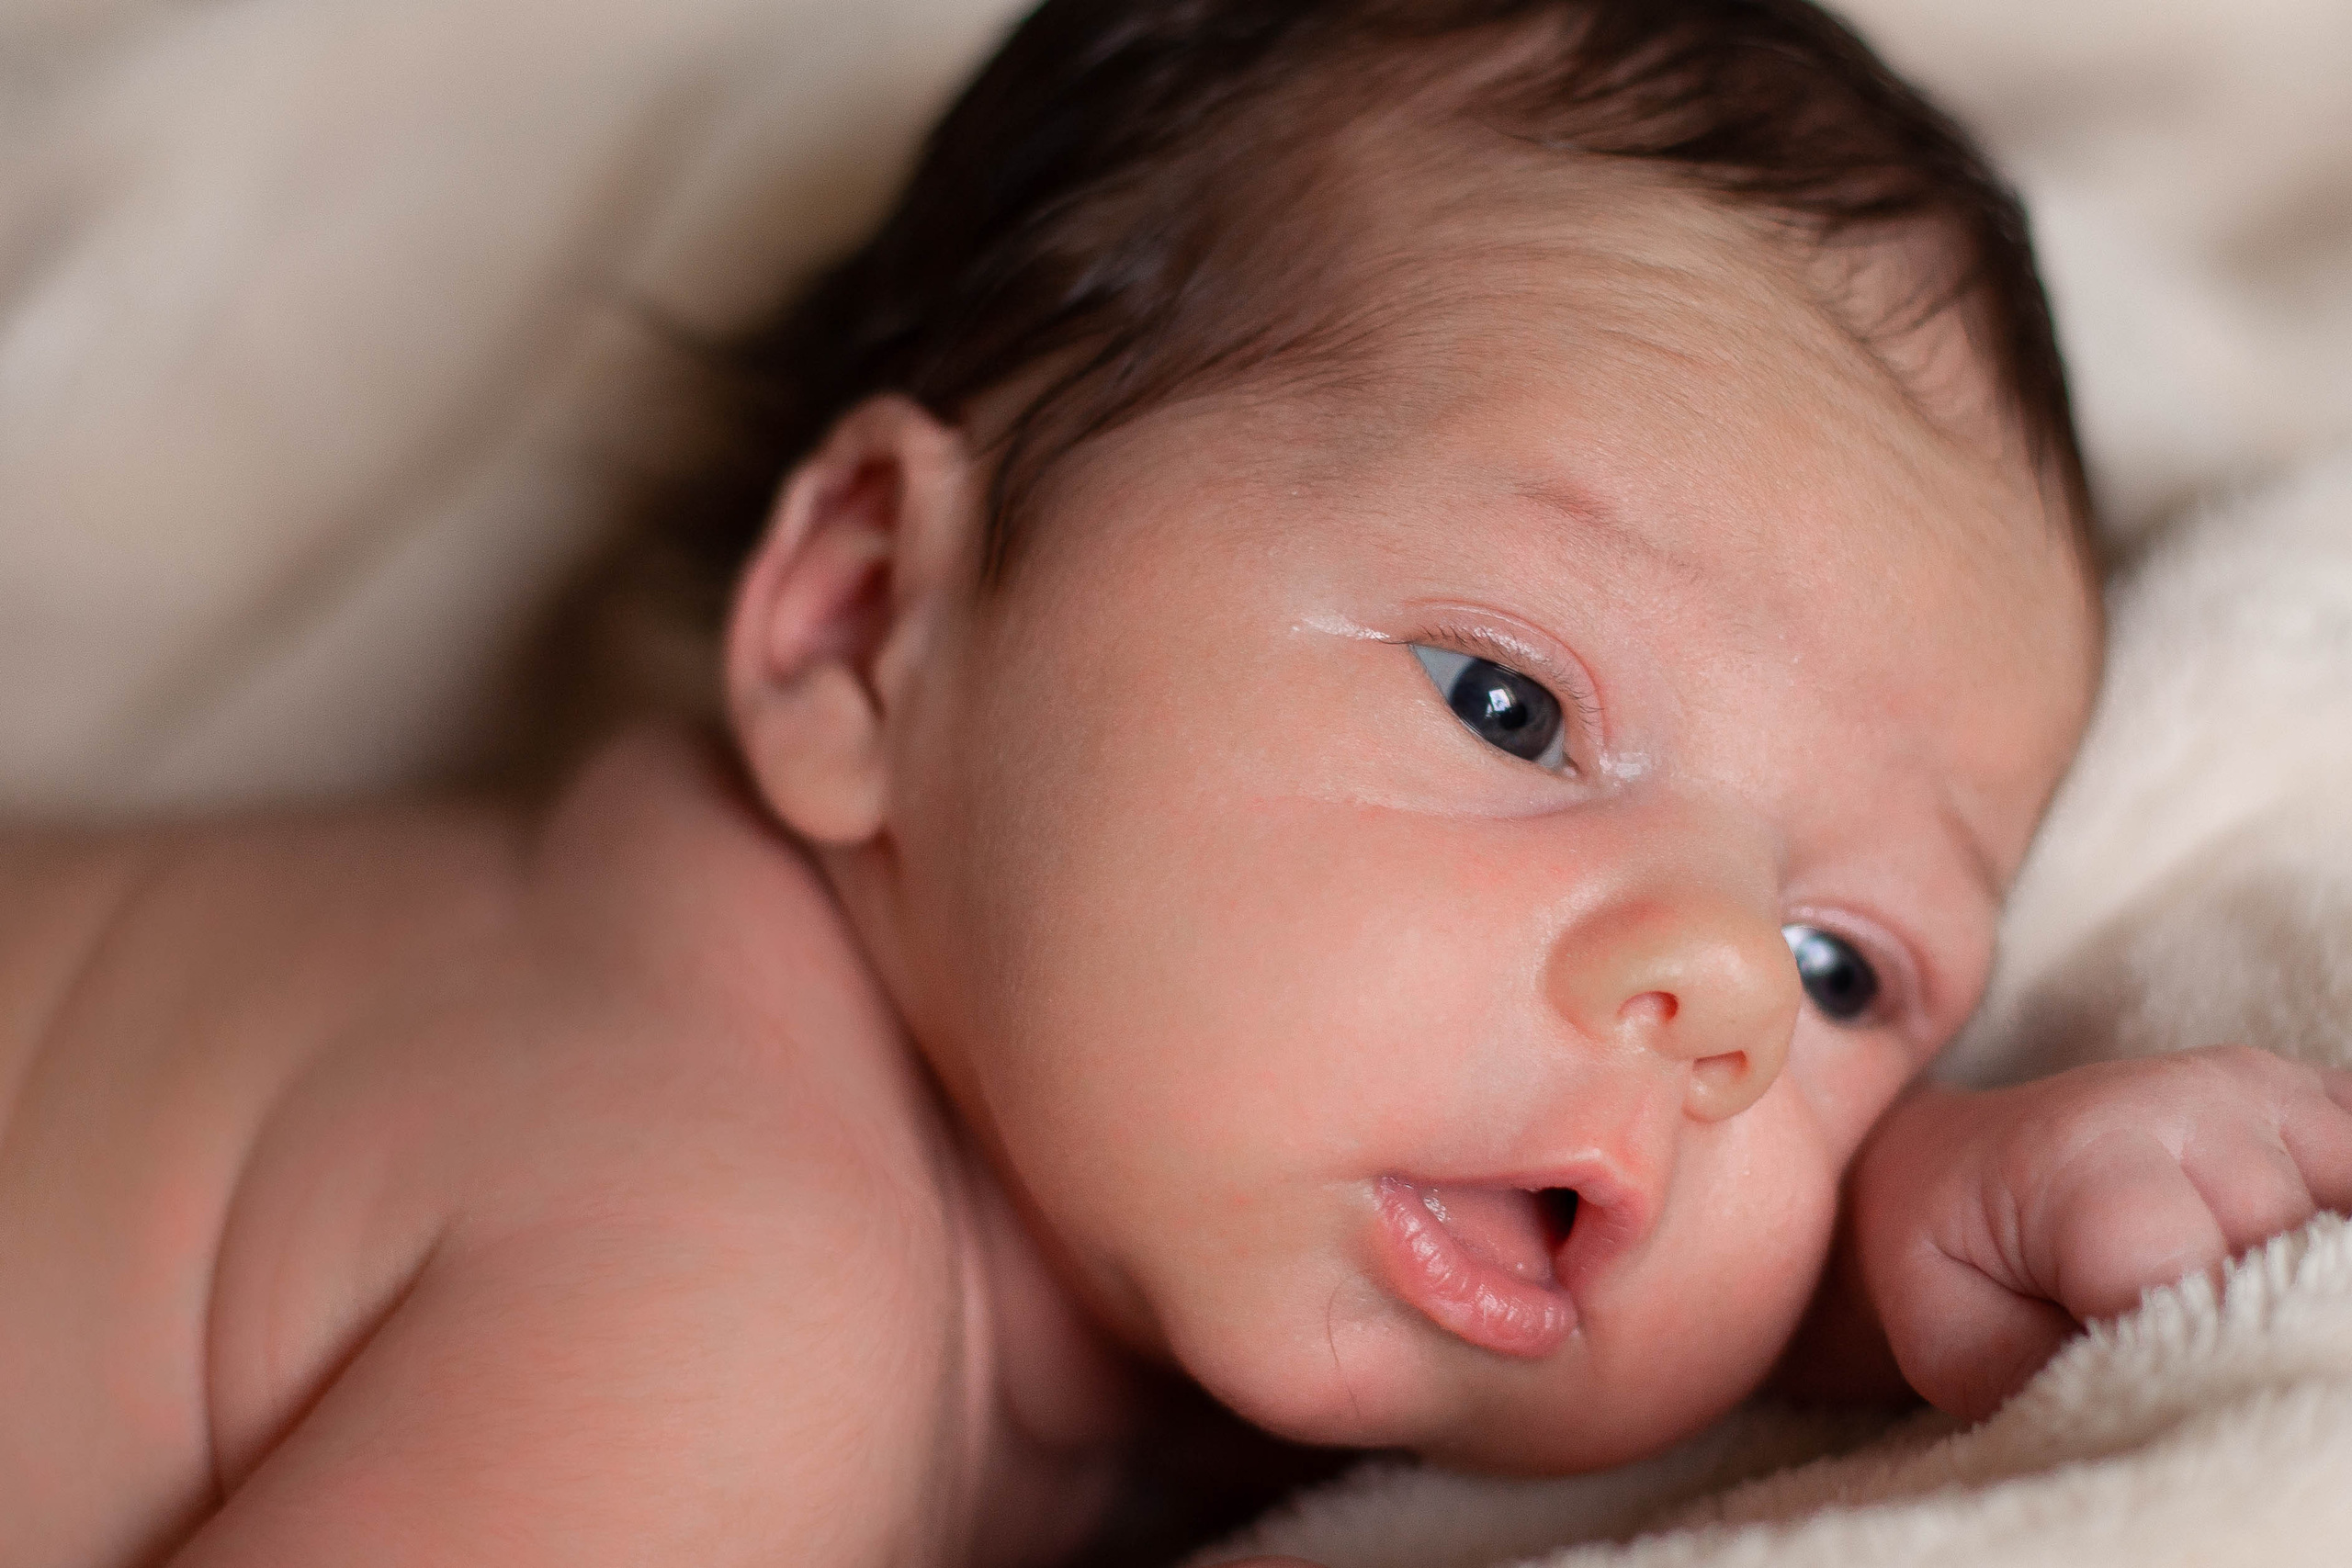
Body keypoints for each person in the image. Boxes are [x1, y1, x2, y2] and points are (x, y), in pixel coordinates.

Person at [7, 2, 2349, 1564]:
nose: (1723, 991)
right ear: (859, 622)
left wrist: (1890, 1265)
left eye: (1849, 970)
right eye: (1512, 710)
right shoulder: (726, 1252)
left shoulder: (1115, 1174)